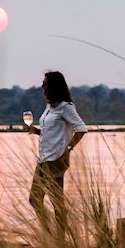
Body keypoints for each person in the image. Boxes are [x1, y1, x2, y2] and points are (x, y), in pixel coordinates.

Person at [29, 71, 87, 236]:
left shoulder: (65, 107)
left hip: (56, 160)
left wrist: (68, 150)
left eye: (46, 84)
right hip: (43, 159)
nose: (42, 86)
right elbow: (52, 133)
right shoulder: (50, 107)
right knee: (34, 199)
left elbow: (81, 129)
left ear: (54, 86)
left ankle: (58, 240)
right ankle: (49, 236)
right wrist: (37, 131)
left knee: (56, 201)